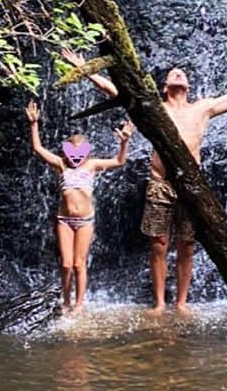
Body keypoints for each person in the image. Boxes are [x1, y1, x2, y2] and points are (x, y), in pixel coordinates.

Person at [61, 48, 227, 313]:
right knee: (158, 243)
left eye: (182, 73)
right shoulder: (154, 109)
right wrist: (86, 69)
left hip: (191, 187)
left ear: (188, 85)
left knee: (186, 244)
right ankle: (160, 303)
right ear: (164, 87)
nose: (177, 73)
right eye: (173, 73)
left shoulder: (203, 108)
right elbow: (117, 92)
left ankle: (182, 302)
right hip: (159, 183)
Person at [25, 100, 134, 314]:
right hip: (64, 220)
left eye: (80, 153)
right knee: (66, 264)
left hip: (85, 221)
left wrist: (124, 142)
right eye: (72, 153)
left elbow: (119, 162)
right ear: (65, 153)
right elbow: (37, 148)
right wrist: (33, 124)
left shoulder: (92, 165)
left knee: (78, 264)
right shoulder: (60, 165)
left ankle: (79, 304)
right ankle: (66, 302)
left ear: (86, 153)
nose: (76, 157)